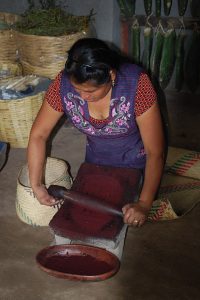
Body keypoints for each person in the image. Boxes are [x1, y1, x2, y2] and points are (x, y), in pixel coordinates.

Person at [27, 38, 165, 257]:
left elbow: (155, 151)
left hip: (134, 163)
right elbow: (39, 135)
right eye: (77, 89)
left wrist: (145, 203)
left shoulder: (136, 85)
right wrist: (36, 184)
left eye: (91, 92)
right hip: (94, 161)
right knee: (80, 219)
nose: (83, 97)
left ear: (110, 75)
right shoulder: (62, 84)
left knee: (113, 225)